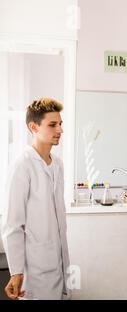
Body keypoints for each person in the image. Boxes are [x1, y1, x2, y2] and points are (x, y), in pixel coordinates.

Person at [1, 98, 70, 300]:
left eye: (60, 124)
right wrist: (16, 272)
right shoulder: (22, 166)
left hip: (58, 262)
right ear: (33, 127)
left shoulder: (57, 163)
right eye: (52, 124)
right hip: (35, 268)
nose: (60, 130)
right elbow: (12, 224)